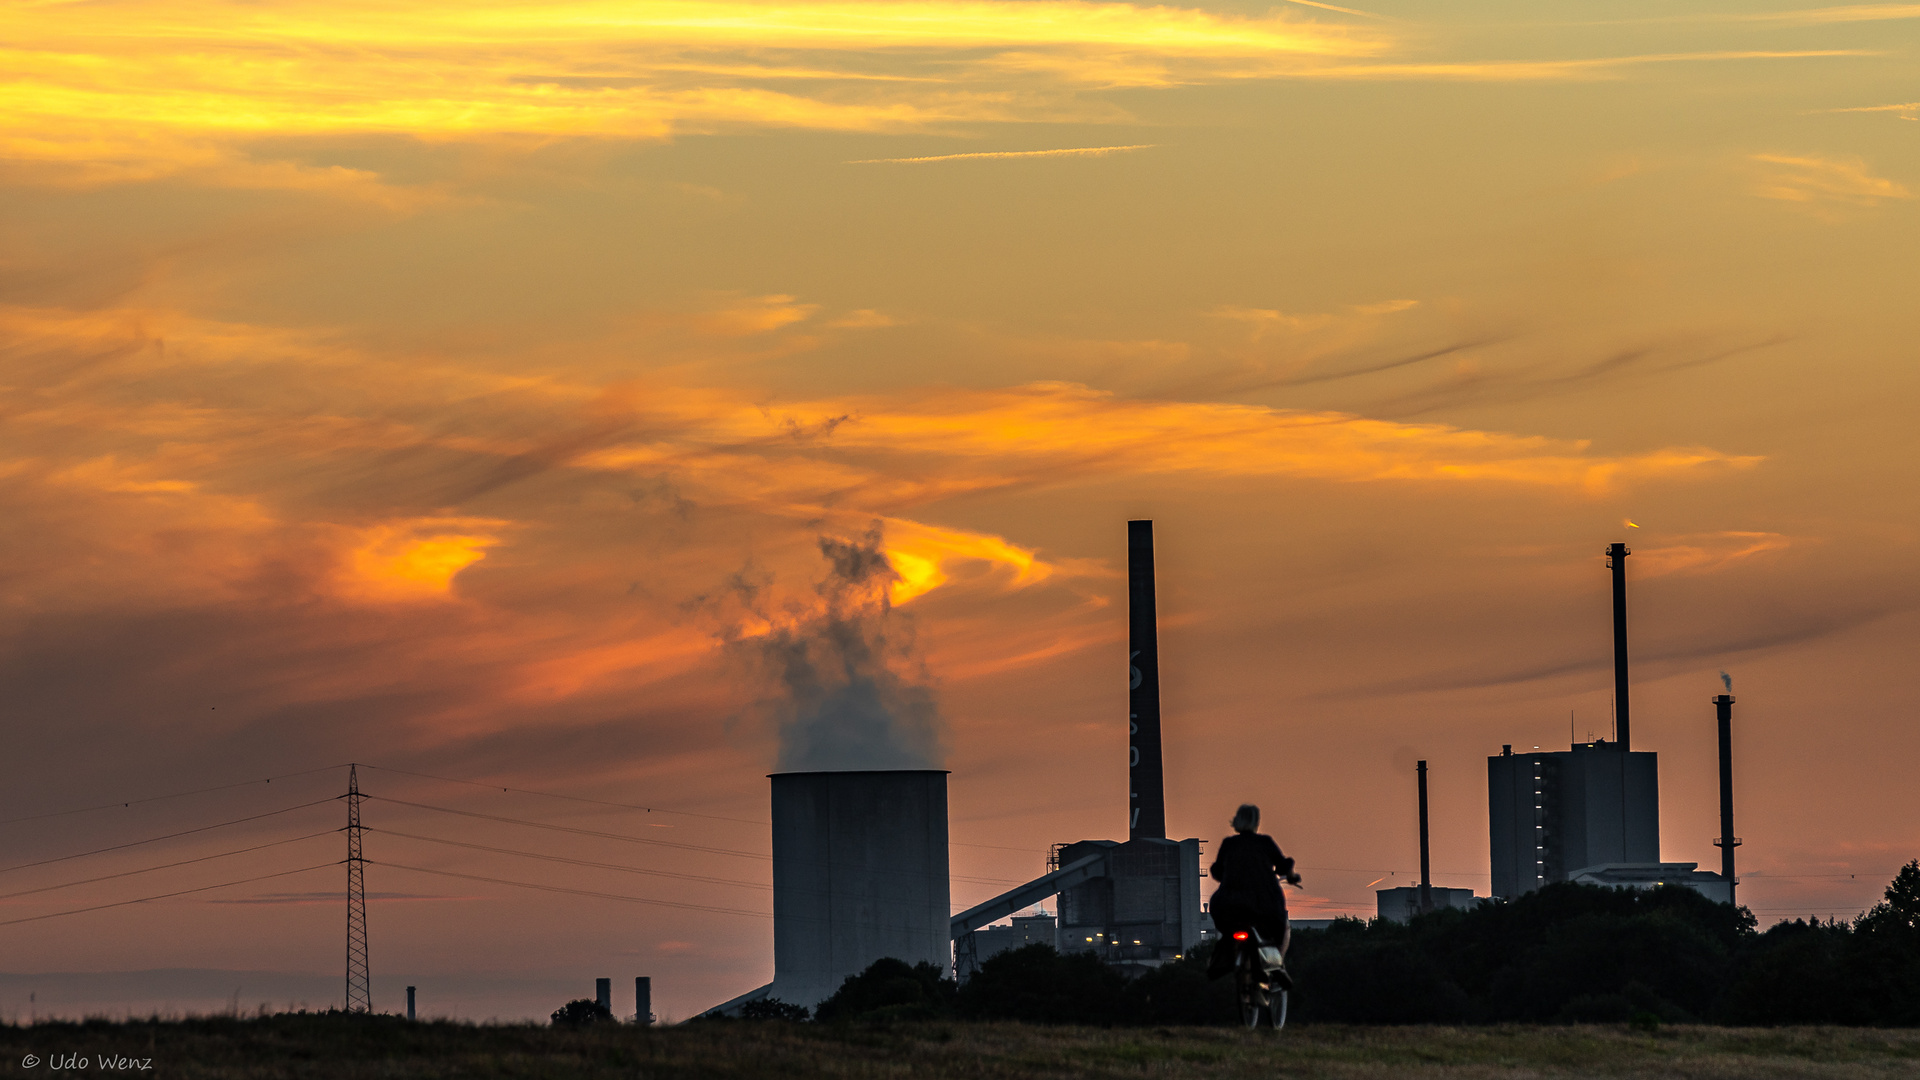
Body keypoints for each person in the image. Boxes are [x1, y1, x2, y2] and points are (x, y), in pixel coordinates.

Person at [1205, 803, 1300, 980]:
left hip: (1229, 904)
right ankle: (1277, 964)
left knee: (1228, 931)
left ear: (1236, 822)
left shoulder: (1229, 844)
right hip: (1264, 904)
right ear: (1256, 822)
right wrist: (1292, 876)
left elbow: (1217, 871)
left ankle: (1228, 958)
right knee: (1283, 927)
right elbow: (1283, 865)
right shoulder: (1265, 842)